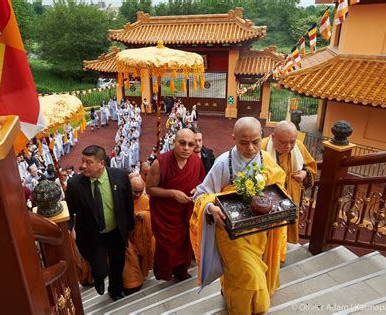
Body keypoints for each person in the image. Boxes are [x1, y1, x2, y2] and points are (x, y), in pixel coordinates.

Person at [191, 117, 286, 314]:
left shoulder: (265, 159)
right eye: (243, 142)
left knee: (242, 275)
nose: (250, 148)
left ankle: (240, 301)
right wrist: (210, 208)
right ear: (234, 139)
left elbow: (278, 186)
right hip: (229, 233)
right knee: (248, 275)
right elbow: (200, 195)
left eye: (256, 141)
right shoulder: (223, 163)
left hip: (257, 230)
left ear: (262, 138)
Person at [65, 145, 135, 301]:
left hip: (116, 232)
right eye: (83, 161)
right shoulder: (75, 184)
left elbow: (128, 204)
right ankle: (98, 278)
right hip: (92, 237)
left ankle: (115, 289)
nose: (83, 166)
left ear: (101, 164)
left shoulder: (120, 176)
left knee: (118, 265)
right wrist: (67, 229)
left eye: (88, 162)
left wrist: (130, 227)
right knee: (101, 270)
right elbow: (69, 211)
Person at [146, 128, 206, 281]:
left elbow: (201, 182)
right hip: (165, 214)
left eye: (191, 145)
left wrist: (196, 188)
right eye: (182, 143)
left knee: (185, 243)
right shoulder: (160, 163)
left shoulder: (196, 161)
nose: (186, 148)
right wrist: (172, 193)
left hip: (185, 211)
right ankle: (162, 271)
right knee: (166, 246)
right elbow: (150, 189)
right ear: (174, 142)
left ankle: (181, 271)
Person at [261, 121, 317, 255]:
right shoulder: (261, 147)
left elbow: (311, 167)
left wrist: (305, 173)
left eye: (292, 142)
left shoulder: (298, 147)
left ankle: (281, 252)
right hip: (269, 199)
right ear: (273, 137)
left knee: (286, 229)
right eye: (283, 142)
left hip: (292, 197)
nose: (288, 146)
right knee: (268, 232)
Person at [122, 177, 155, 294]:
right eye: (135, 191)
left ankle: (140, 276)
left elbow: (152, 214)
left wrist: (144, 215)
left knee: (142, 257)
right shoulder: (122, 199)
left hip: (141, 236)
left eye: (141, 191)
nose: (138, 194)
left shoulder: (145, 199)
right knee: (131, 259)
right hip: (126, 235)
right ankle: (133, 284)